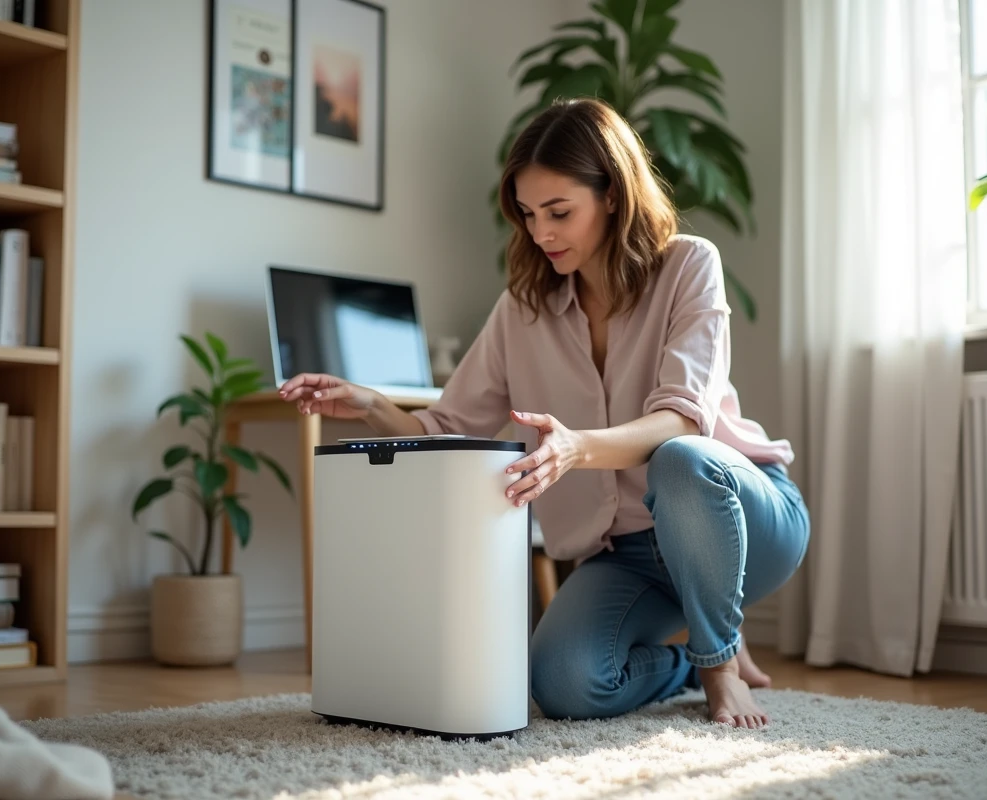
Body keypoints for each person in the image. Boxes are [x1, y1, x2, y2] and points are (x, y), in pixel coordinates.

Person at [278, 97, 810, 729]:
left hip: (740, 518)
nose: (541, 233)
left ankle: (722, 666)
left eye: (560, 212)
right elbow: (447, 431)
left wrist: (576, 448)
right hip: (630, 553)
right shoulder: (522, 308)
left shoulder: (689, 265)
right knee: (563, 684)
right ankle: (691, 663)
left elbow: (683, 421)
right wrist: (370, 406)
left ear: (612, 195)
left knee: (681, 459)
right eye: (528, 215)